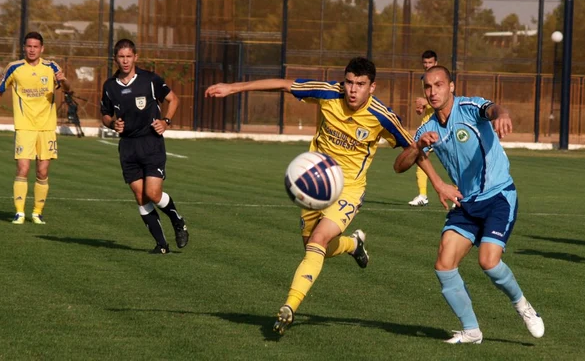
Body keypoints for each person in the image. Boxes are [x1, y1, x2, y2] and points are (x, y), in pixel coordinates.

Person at [205, 57, 416, 336]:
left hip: (350, 188)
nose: (353, 90)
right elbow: (283, 84)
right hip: (314, 184)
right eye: (349, 82)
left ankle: (289, 306)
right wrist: (233, 88)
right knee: (314, 247)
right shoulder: (329, 93)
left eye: (360, 85)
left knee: (317, 240)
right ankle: (353, 245)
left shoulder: (382, 116)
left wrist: (438, 184)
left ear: (372, 87)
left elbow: (412, 146)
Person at [393, 65, 544, 344]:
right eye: (428, 87)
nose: (433, 91)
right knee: (443, 264)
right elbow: (399, 165)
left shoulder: (469, 107)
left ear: (451, 86)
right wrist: (418, 149)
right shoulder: (427, 127)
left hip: (498, 196)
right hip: (466, 203)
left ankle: (523, 306)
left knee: (488, 261)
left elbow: (492, 109)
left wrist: (503, 114)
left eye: (439, 85)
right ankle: (472, 330)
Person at [100, 39, 189, 254]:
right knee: (140, 196)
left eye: (129, 56)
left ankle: (178, 221)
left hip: (151, 142)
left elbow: (174, 99)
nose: (125, 61)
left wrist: (166, 121)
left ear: (136, 57)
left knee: (153, 193)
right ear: (115, 59)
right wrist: (113, 123)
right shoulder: (110, 85)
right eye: (121, 57)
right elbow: (105, 115)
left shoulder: (149, 80)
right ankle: (161, 245)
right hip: (128, 146)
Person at [0, 32, 70, 224]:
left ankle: (37, 212)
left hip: (47, 127)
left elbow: (68, 89)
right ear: (24, 47)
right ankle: (19, 212)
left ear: (42, 49)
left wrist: (63, 80)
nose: (32, 49)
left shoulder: (51, 67)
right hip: (25, 127)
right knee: (22, 168)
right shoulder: (14, 67)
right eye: (29, 46)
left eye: (35, 46)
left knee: (43, 172)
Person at [409, 50, 438, 207]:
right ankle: (423, 195)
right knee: (419, 156)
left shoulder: (442, 79)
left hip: (441, 124)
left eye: (430, 63)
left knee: (452, 160)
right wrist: (421, 109)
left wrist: (427, 102)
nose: (427, 66)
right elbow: (428, 104)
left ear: (436, 63)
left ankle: (459, 194)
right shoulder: (423, 79)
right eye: (425, 63)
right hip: (428, 124)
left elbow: (445, 100)